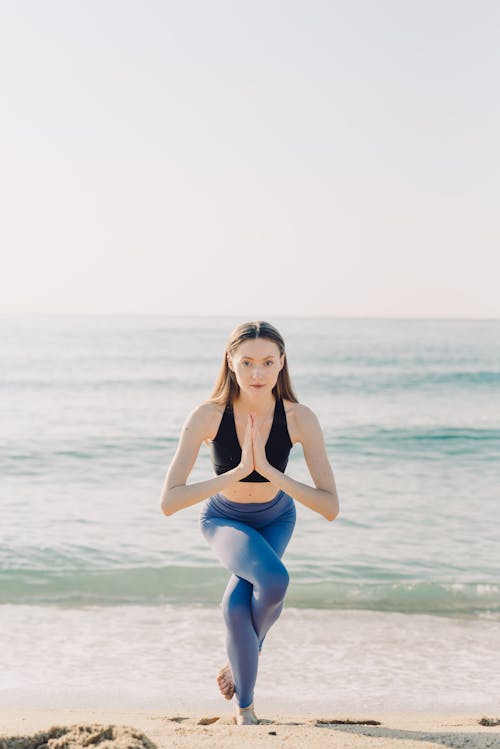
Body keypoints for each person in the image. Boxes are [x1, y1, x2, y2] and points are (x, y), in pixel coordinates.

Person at [160, 320, 339, 725]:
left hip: (277, 517)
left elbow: (330, 506)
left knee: (239, 606)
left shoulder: (299, 419)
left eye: (267, 362)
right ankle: (247, 712)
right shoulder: (208, 416)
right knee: (273, 582)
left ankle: (240, 676)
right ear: (230, 362)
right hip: (224, 518)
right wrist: (237, 472)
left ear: (281, 364)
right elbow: (170, 502)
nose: (257, 373)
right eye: (247, 362)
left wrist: (273, 474)